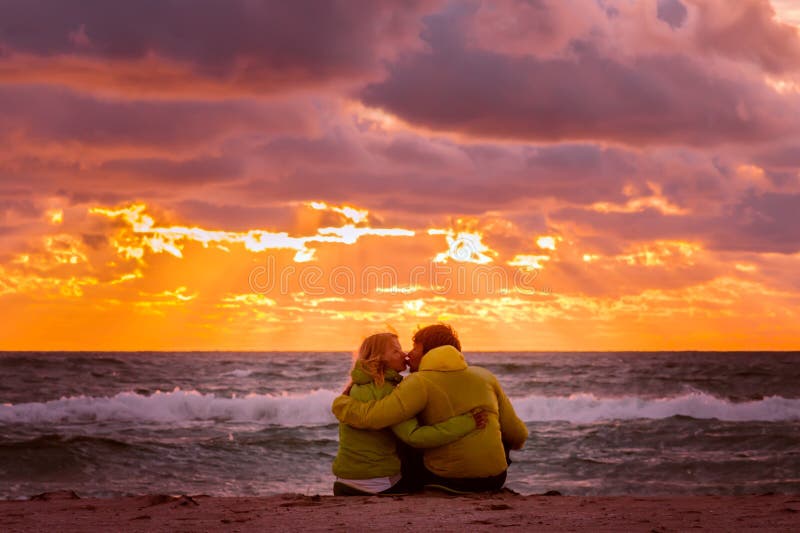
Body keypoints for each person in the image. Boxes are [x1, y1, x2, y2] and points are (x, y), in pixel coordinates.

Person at [332, 324, 528, 493]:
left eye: (415, 348)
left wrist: (342, 405)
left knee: (407, 429)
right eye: (399, 350)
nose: (408, 354)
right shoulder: (485, 376)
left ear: (428, 352)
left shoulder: (418, 382)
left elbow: (377, 417)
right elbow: (517, 434)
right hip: (494, 480)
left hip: (448, 479)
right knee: (496, 427)